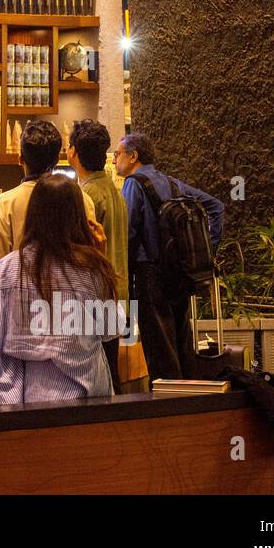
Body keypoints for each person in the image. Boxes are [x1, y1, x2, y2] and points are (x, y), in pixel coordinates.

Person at [0, 174, 120, 404]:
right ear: (78, 215)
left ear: (33, 214)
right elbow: (111, 329)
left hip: (24, 397)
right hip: (85, 395)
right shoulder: (90, 269)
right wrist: (100, 255)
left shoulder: (9, 268)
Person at [115, 132, 225, 381]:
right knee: (181, 346)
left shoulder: (134, 183)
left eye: (118, 154)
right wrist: (207, 251)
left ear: (133, 156)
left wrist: (122, 274)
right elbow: (216, 206)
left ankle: (169, 410)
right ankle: (189, 404)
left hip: (150, 276)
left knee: (160, 353)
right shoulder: (172, 184)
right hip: (179, 275)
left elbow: (129, 232)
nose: (114, 160)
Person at [68, 119, 132, 392]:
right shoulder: (113, 190)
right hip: (117, 294)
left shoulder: (88, 195)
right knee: (110, 374)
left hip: (96, 298)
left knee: (98, 380)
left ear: (74, 152)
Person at [0, 120, 95, 267]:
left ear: (20, 158)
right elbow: (91, 259)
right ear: (57, 159)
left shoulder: (3, 205)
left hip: (19, 289)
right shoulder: (83, 199)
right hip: (70, 289)